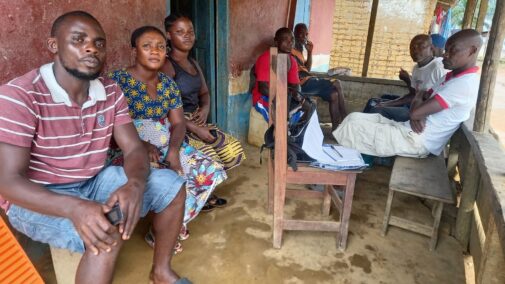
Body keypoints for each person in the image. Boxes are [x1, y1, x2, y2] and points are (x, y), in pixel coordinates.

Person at [0, 11, 190, 284]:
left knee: (171, 185)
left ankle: (161, 272)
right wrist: (74, 208)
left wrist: (135, 184)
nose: (91, 47)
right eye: (78, 40)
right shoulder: (21, 95)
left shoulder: (110, 91)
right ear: (53, 45)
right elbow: (6, 181)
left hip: (91, 181)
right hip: (36, 197)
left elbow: (134, 150)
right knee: (106, 229)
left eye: (99, 43)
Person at [108, 26, 227, 252]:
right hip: (127, 148)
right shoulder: (116, 82)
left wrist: (173, 151)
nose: (155, 51)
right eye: (147, 46)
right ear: (133, 50)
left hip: (165, 143)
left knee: (207, 169)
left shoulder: (168, 84)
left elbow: (179, 122)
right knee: (159, 175)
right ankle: (162, 227)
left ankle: (168, 226)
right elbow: (110, 125)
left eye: (160, 46)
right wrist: (141, 144)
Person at [334, 29, 482, 158]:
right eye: (446, 49)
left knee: (352, 129)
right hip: (409, 131)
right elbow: (420, 96)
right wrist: (418, 105)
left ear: (472, 51)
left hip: (418, 141)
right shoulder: (450, 76)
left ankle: (343, 171)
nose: (445, 55)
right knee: (352, 119)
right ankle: (349, 165)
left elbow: (416, 111)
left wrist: (417, 111)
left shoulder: (464, 84)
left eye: (453, 50)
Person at [161, 14, 245, 211]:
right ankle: (195, 196)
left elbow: (204, 93)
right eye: (179, 32)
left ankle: (203, 189)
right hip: (177, 124)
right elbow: (165, 107)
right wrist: (194, 128)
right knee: (210, 159)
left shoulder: (193, 63)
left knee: (232, 150)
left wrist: (205, 108)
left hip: (196, 120)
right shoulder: (166, 66)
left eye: (190, 31)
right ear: (169, 35)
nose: (187, 36)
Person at [363, 34, 447, 122]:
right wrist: (386, 103)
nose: (415, 50)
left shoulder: (438, 67)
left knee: (377, 110)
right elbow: (413, 94)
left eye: (421, 47)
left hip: (421, 115)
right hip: (412, 106)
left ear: (432, 48)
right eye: (412, 48)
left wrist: (386, 104)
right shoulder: (416, 68)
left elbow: (441, 100)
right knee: (372, 102)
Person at [292, 23, 347, 130]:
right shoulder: (291, 49)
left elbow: (306, 69)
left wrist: (310, 52)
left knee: (334, 95)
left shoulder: (299, 50)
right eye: (301, 34)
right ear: (295, 34)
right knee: (337, 82)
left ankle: (335, 130)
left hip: (308, 81)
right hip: (302, 84)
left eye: (306, 34)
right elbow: (299, 73)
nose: (305, 37)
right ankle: (345, 117)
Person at [251, 27, 303, 122]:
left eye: (292, 39)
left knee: (308, 107)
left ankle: (294, 134)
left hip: (281, 96)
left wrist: (297, 95)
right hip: (263, 98)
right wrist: (283, 98)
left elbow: (295, 84)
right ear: (276, 42)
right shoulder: (266, 58)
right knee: (282, 120)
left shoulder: (291, 60)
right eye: (285, 39)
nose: (290, 42)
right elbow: (263, 88)